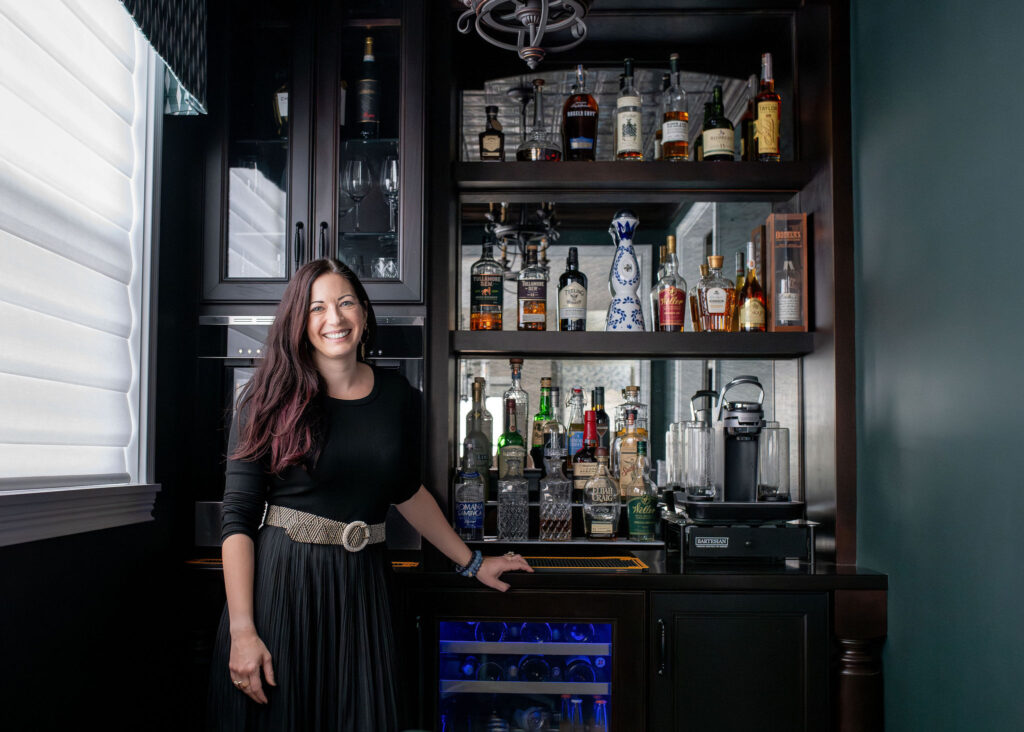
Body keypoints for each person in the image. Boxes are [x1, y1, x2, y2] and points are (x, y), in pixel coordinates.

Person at [207, 258, 532, 731]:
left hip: (364, 586)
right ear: (299, 321)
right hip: (285, 587)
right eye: (316, 308)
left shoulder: (399, 395)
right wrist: (242, 631)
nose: (333, 319)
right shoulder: (265, 398)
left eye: (344, 303)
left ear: (363, 312)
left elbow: (406, 490)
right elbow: (237, 518)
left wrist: (475, 563)